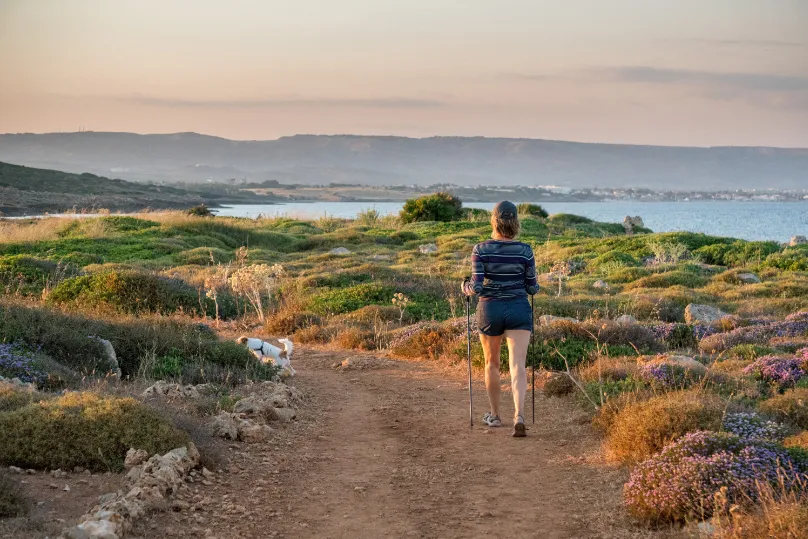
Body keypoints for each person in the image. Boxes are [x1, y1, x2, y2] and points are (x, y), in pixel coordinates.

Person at [462, 201, 538, 437]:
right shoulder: (525, 251)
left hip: (490, 309)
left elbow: (475, 286)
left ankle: (494, 416)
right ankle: (520, 415)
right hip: (518, 308)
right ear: (516, 222)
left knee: (492, 364)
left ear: (494, 221)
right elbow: (532, 288)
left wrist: (464, 287)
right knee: (518, 366)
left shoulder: (480, 249)